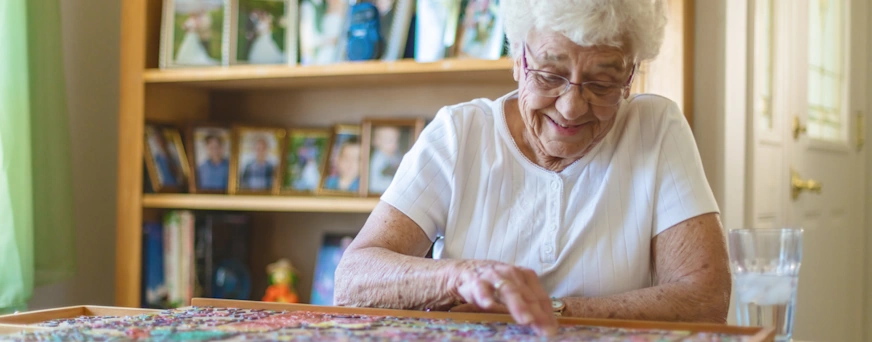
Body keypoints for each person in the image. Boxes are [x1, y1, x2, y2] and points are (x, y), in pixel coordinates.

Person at [334, 0, 731, 337]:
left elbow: (705, 298)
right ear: (518, 60)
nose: (572, 106)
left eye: (602, 83)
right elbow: (353, 279)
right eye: (550, 74)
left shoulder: (655, 128)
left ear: (629, 78)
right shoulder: (460, 133)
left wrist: (551, 312)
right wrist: (457, 277)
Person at [299, 0, 347, 65]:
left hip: (338, 55)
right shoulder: (310, 5)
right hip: (321, 56)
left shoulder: (343, 6)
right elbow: (308, 41)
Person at [368, 126, 403, 194]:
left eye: (396, 140)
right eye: (389, 141)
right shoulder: (378, 158)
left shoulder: (394, 154)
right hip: (378, 189)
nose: (394, 144)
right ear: (376, 141)